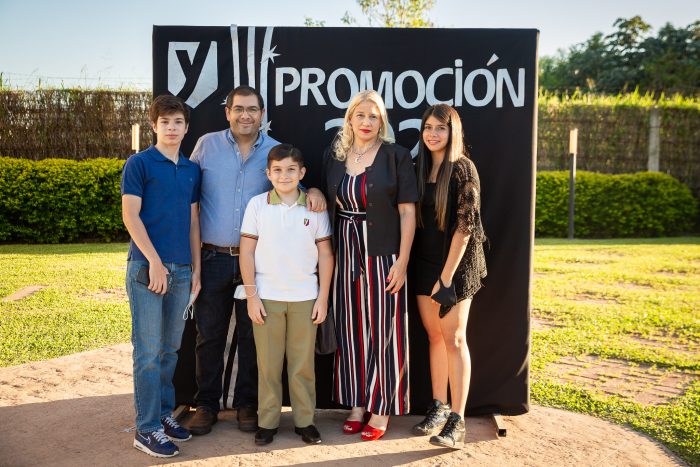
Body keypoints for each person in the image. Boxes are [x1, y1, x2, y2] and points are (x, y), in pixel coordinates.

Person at [188, 86, 326, 436]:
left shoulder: (274, 150)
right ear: (227, 112)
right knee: (209, 334)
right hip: (214, 254)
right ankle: (206, 405)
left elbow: (292, 186)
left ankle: (248, 404)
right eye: (238, 109)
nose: (245, 115)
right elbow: (187, 192)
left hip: (259, 262)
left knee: (254, 338)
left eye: (252, 109)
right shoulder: (206, 145)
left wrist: (314, 190)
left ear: (262, 113)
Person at [321, 90, 418, 441]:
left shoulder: (396, 156)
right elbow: (322, 196)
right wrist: (315, 193)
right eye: (360, 115)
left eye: (373, 116)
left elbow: (408, 212)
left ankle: (381, 408)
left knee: (384, 329)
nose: (366, 122)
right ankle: (356, 404)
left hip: (383, 251)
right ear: (350, 119)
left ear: (382, 122)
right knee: (350, 328)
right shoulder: (334, 156)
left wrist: (403, 261)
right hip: (344, 250)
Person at [121, 94, 201, 458]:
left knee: (170, 350)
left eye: (178, 122)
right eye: (165, 122)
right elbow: (130, 216)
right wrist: (154, 262)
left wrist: (196, 269)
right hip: (146, 269)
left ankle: (164, 414)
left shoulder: (191, 169)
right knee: (148, 352)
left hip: (182, 271)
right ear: (154, 126)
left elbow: (194, 221)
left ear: (186, 128)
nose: (171, 128)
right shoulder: (139, 164)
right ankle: (146, 427)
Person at [239, 144, 334, 446]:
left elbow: (326, 254)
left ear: (302, 173)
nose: (284, 175)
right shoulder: (257, 205)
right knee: (268, 365)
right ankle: (267, 422)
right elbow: (246, 251)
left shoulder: (315, 208)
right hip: (267, 297)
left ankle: (305, 421)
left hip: (305, 297)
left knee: (301, 365)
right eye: (277, 170)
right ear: (268, 173)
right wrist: (252, 295)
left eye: (291, 169)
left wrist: (323, 297)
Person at [410, 104, 487, 449]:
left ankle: (458, 420)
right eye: (428, 127)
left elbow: (466, 227)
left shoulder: (463, 168)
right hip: (423, 264)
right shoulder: (419, 167)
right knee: (434, 337)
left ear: (452, 132)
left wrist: (445, 279)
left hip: (455, 267)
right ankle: (439, 407)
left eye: (440, 128)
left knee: (454, 338)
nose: (433, 134)